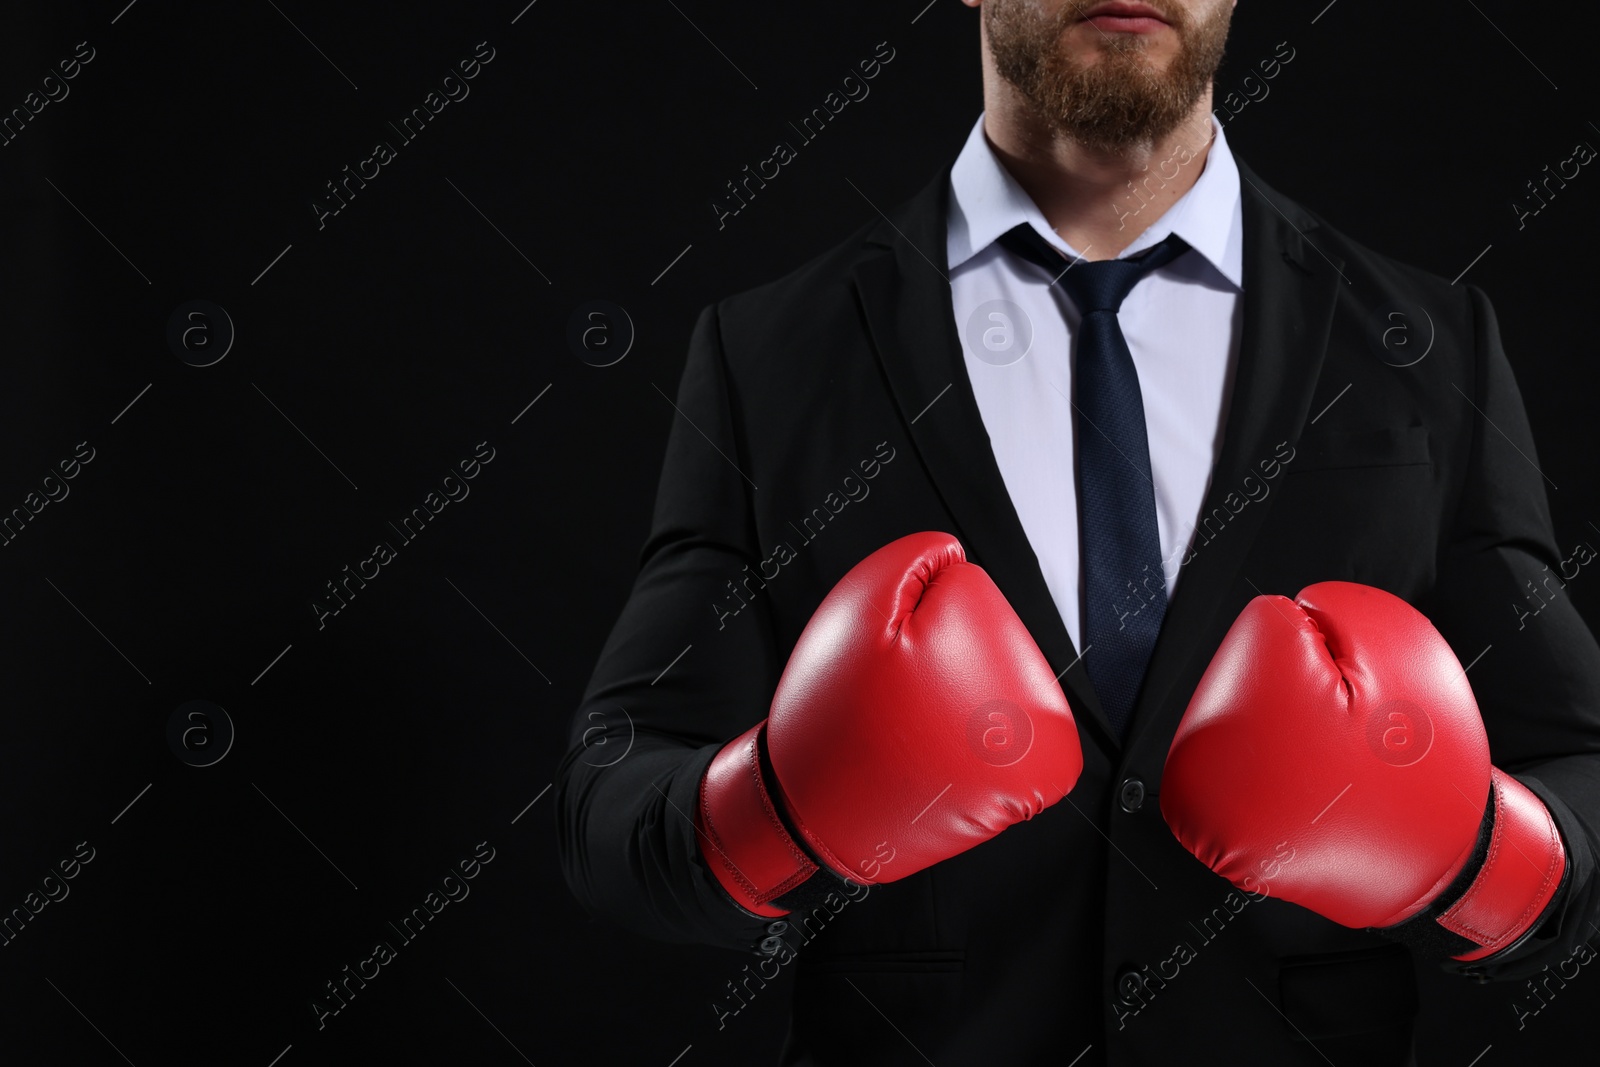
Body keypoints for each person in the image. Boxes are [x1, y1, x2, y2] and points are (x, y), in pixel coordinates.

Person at [556, 1, 1600, 1063]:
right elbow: (610, 801)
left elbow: (1580, 761)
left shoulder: (1428, 347)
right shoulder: (771, 353)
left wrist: (1475, 854)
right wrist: (777, 805)